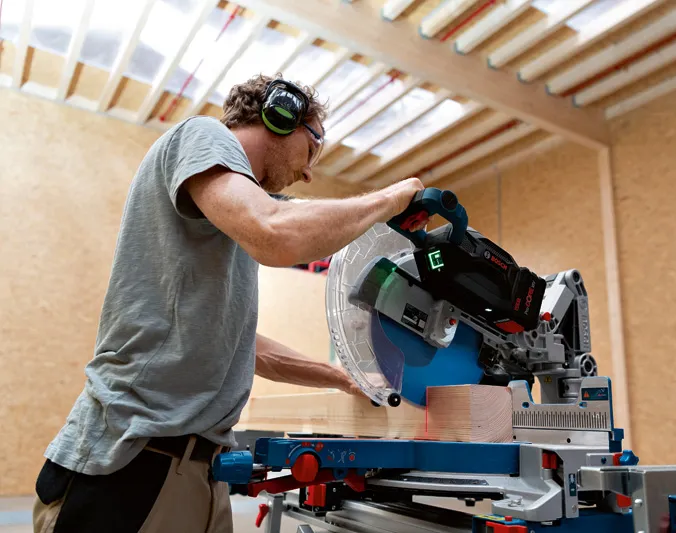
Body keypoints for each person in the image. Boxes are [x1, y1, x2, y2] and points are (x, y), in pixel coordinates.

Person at [32, 73, 428, 533]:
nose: (307, 172)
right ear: (281, 116)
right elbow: (276, 233)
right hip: (132, 462)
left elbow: (243, 344)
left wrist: (344, 378)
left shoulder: (234, 217)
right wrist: (390, 199)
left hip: (202, 471)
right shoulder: (202, 136)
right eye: (312, 148)